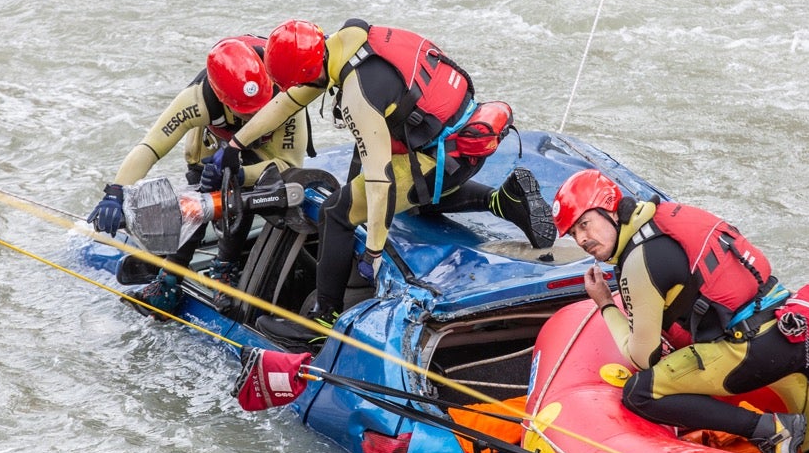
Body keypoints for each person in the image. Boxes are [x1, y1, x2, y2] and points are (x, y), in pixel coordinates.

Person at [205, 18, 556, 345]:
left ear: (308, 69)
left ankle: (322, 318)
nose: (297, 89)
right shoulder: (348, 45)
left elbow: (380, 177)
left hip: (440, 158)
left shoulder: (360, 93)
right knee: (415, 200)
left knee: (337, 212)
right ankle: (505, 200)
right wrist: (237, 145)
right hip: (459, 144)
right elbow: (286, 105)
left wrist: (373, 248)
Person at [552, 167, 809, 453]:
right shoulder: (669, 217)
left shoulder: (640, 259)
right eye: (574, 234)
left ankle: (771, 431)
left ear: (611, 207)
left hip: (754, 350)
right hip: (800, 334)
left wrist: (605, 305)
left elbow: (643, 357)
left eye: (585, 224)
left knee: (639, 393)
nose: (583, 239)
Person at [85, 35, 309, 312]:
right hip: (211, 147)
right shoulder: (197, 100)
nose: (254, 119)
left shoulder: (288, 96)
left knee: (237, 191)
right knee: (199, 196)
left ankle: (225, 270)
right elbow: (151, 147)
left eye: (259, 112)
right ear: (221, 98)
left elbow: (289, 166)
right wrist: (116, 193)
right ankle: (169, 280)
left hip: (264, 157)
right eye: (245, 113)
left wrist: (240, 177)